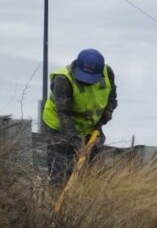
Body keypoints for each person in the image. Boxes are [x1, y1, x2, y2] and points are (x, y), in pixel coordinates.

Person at [42, 48, 117, 183]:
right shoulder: (63, 80)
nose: (86, 82)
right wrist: (75, 141)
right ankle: (57, 195)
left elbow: (112, 96)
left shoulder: (108, 73)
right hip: (59, 126)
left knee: (90, 169)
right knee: (60, 170)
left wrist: (108, 111)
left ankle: (83, 197)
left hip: (89, 126)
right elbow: (64, 113)